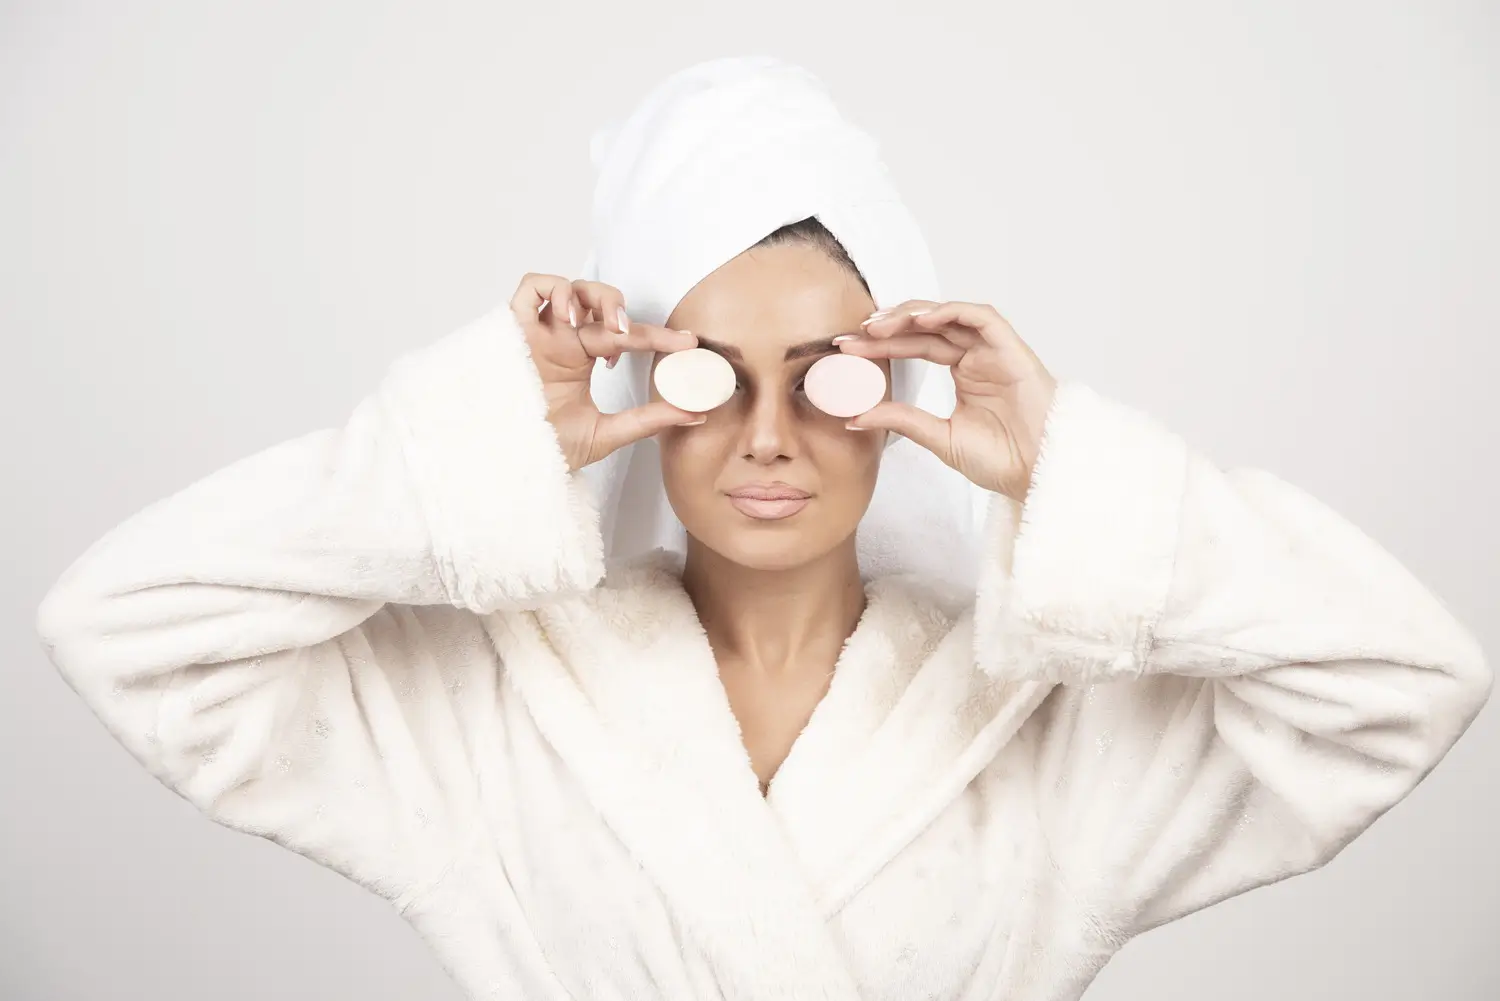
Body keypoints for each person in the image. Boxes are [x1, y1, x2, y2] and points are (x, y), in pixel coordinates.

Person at [36, 56, 1491, 1001]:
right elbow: (119, 628)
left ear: (903, 384)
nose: (772, 435)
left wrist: (1070, 473)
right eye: (706, 378)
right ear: (634, 389)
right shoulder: (493, 708)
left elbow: (1405, 685)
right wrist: (472, 448)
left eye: (829, 377)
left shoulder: (1039, 716)